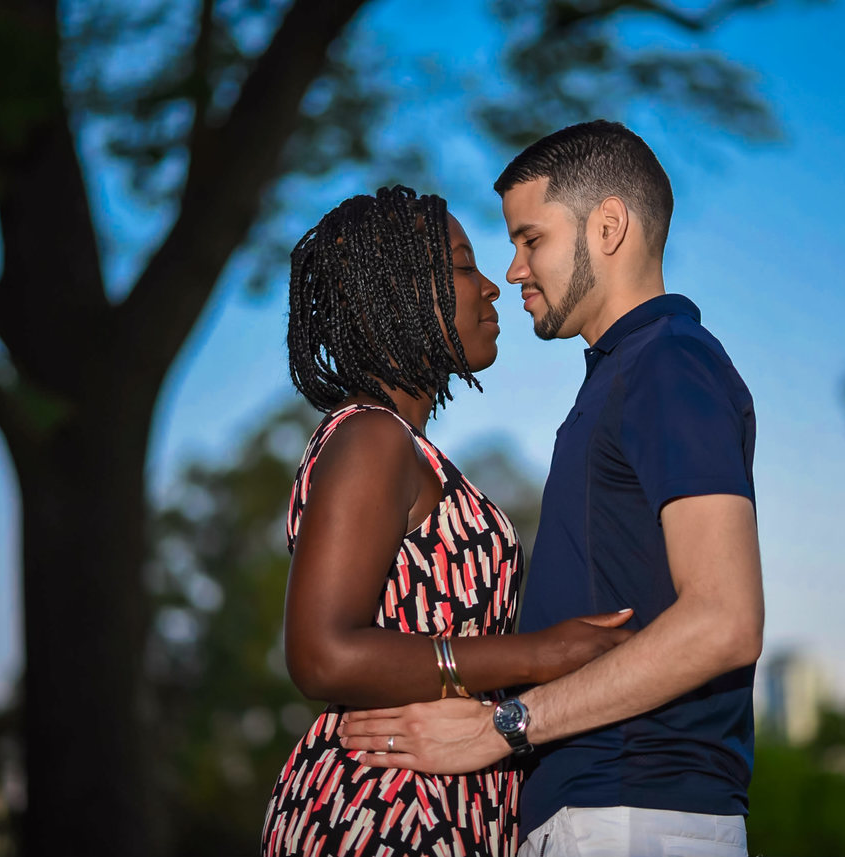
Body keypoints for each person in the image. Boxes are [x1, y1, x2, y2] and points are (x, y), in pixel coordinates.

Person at [339, 122, 764, 857]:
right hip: (603, 813)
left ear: (608, 226)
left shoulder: (668, 361)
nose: (513, 271)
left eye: (530, 239)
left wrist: (503, 726)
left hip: (633, 812)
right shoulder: (623, 375)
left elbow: (725, 620)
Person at [259, 185, 635, 857]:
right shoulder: (371, 438)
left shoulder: (401, 447)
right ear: (394, 294)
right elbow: (321, 654)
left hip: (442, 797)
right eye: (463, 266)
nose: (492, 286)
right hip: (383, 809)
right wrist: (541, 652)